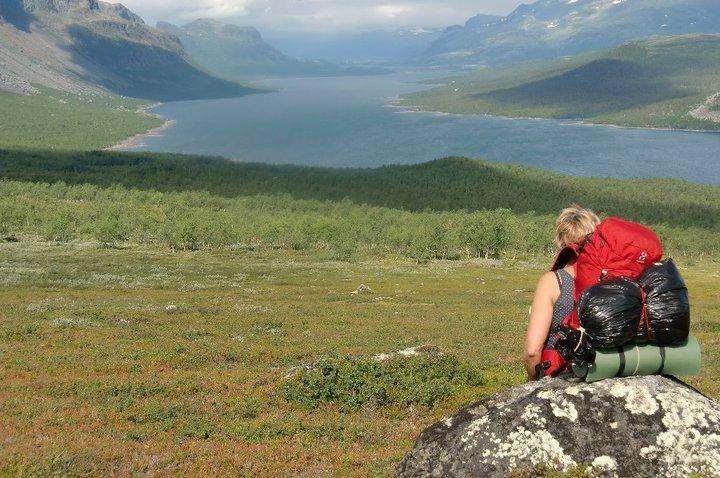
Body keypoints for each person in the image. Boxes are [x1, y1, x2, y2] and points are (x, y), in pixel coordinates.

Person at [523, 206, 600, 380]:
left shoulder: (552, 281)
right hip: (602, 374)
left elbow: (531, 351)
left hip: (561, 378)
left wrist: (533, 382)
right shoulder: (610, 280)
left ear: (560, 240)